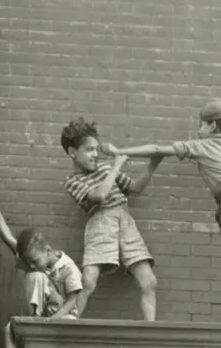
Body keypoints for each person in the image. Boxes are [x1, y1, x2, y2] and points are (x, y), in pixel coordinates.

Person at [116, 99, 221, 326]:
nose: (198, 130)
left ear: (213, 126)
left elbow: (157, 150)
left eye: (201, 125)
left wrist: (119, 151)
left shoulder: (200, 146)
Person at [60, 117, 161, 321]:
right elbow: (99, 196)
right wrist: (115, 166)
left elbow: (134, 188)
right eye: (89, 150)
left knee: (149, 281)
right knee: (88, 281)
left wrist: (152, 165)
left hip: (125, 220)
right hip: (101, 222)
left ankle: (150, 331)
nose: (95, 154)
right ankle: (70, 322)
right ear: (72, 152)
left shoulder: (105, 169)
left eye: (96, 149)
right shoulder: (73, 181)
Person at [0, 194, 83, 319]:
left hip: (63, 316)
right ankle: (34, 318)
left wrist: (51, 320)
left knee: (37, 276)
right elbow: (8, 237)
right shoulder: (36, 258)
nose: (31, 265)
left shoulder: (69, 268)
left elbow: (72, 302)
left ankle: (36, 323)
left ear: (48, 250)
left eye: (34, 261)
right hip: (44, 316)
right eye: (28, 261)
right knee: (8, 329)